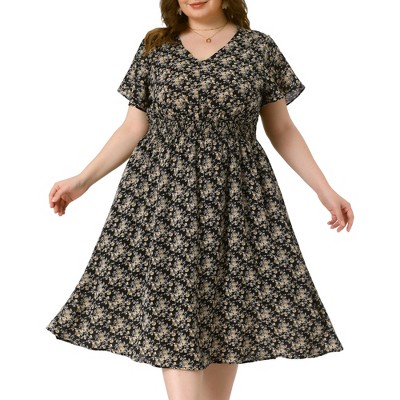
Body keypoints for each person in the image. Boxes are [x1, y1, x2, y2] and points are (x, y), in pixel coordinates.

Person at [46, 1, 354, 399]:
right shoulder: (155, 47)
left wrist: (325, 190)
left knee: (226, 309)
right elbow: (133, 127)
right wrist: (82, 180)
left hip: (237, 197)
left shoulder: (259, 48)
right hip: (164, 197)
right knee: (174, 308)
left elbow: (282, 129)